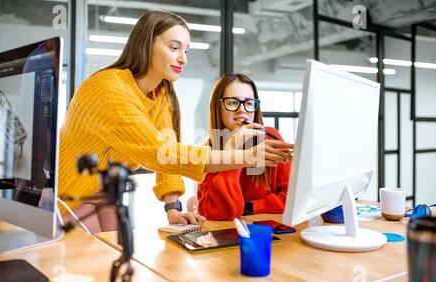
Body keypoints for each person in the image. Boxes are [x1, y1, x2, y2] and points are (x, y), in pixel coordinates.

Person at [58, 10, 293, 233]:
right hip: (71, 196)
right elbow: (162, 153)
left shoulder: (161, 94)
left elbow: (167, 155)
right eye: (174, 47)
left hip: (107, 193)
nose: (183, 58)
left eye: (187, 51)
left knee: (118, 259)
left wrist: (173, 209)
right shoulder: (110, 89)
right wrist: (245, 156)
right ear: (146, 44)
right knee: (87, 266)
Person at [197, 74, 292, 220]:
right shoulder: (208, 151)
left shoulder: (270, 137)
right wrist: (233, 149)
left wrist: (250, 207)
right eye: (233, 102)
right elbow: (215, 212)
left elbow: (291, 198)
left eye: (248, 103)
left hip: (266, 234)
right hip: (226, 236)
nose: (242, 110)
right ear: (218, 106)